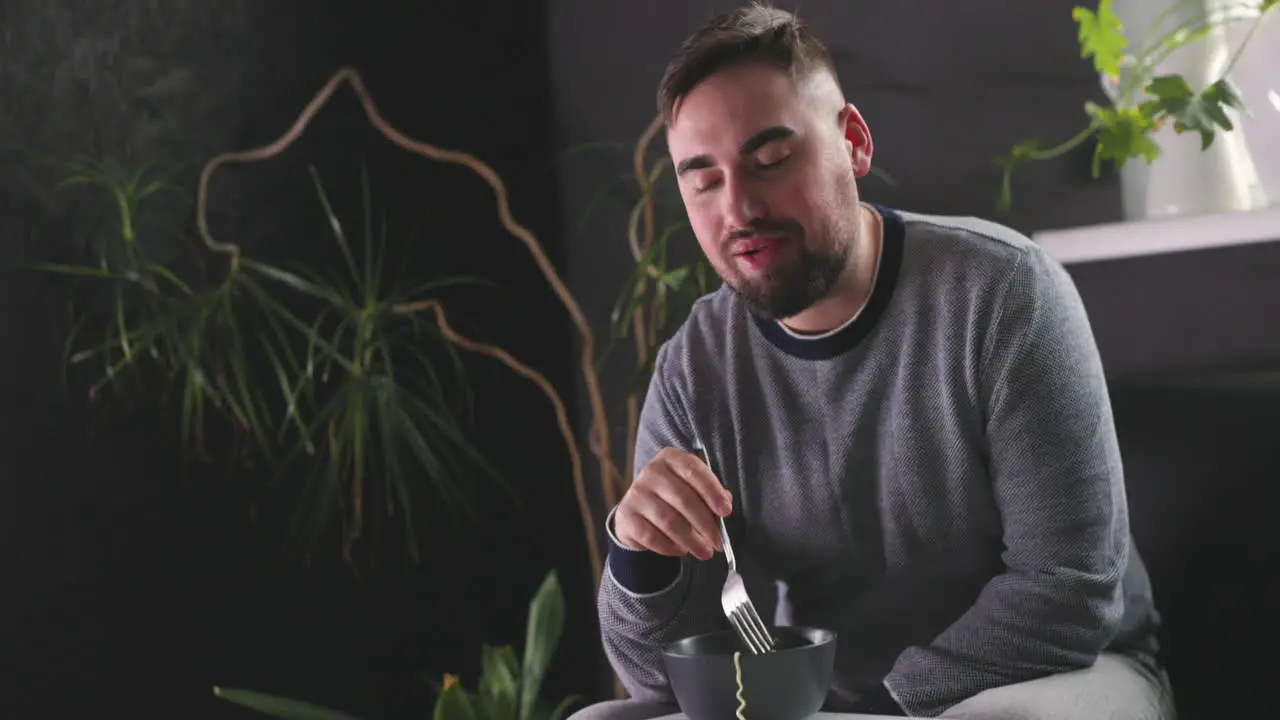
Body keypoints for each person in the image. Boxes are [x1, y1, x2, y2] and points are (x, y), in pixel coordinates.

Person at [570, 3, 1175, 719]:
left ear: (852, 142)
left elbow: (1069, 588)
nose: (738, 209)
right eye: (703, 180)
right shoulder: (694, 368)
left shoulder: (1006, 294)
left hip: (1058, 674)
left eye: (769, 160)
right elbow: (663, 680)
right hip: (828, 703)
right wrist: (641, 559)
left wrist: (882, 707)